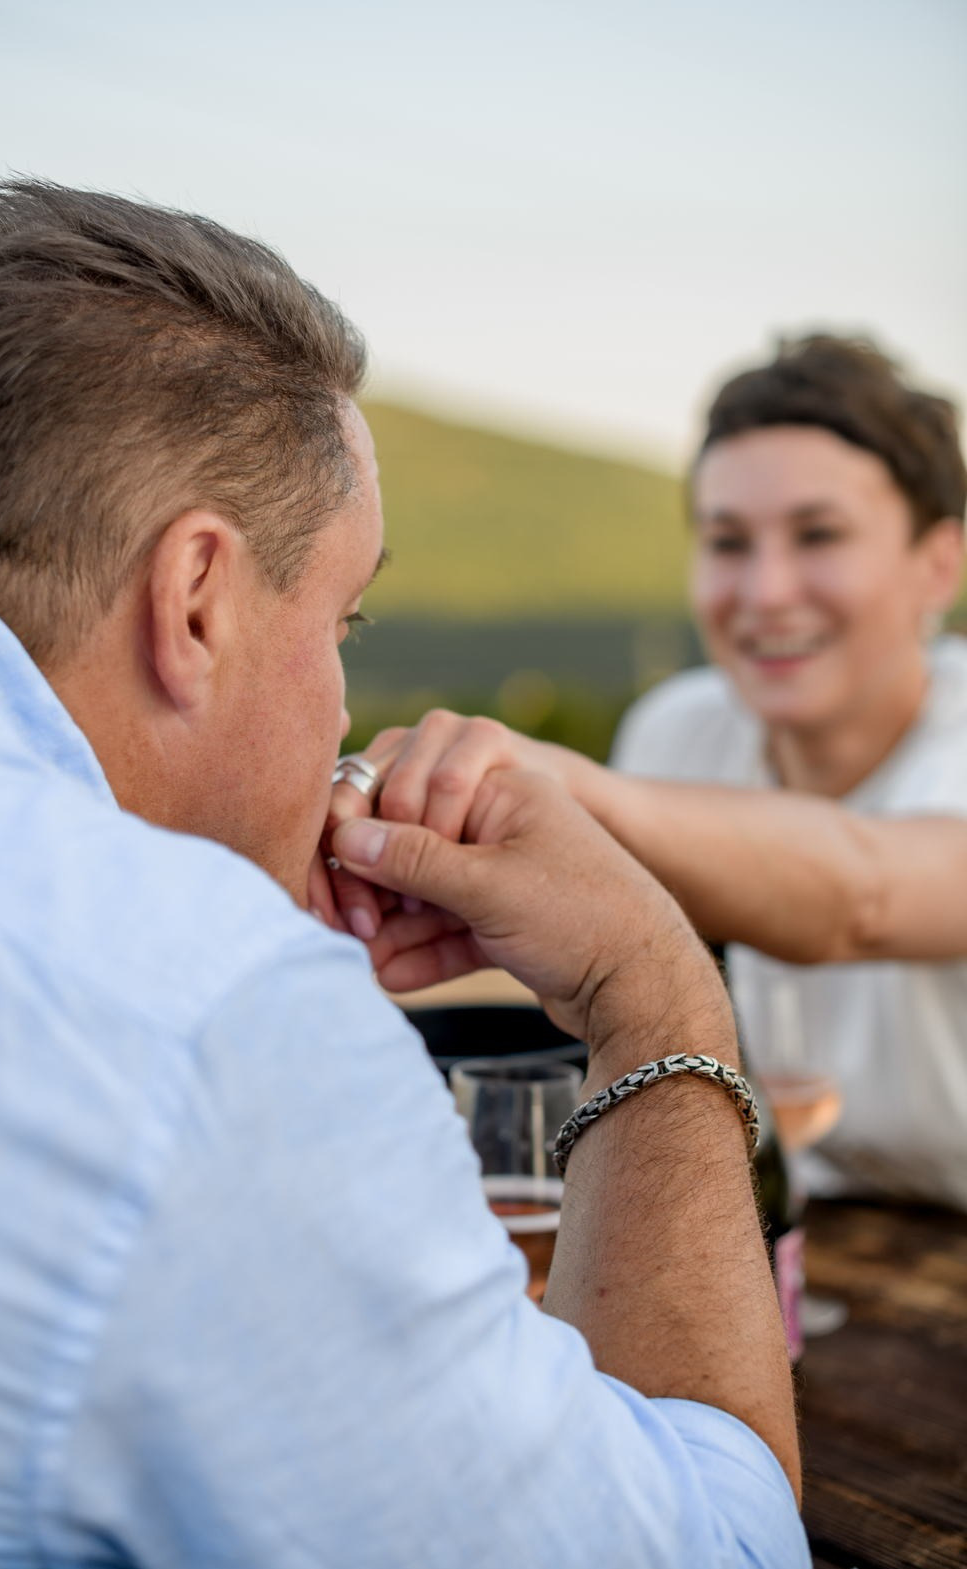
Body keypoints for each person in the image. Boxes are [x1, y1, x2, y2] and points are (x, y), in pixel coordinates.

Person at [0, 180, 807, 1569]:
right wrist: (651, 984)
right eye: (343, 619)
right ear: (197, 599)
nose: (341, 707)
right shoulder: (188, 1006)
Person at [330, 336, 967, 1212]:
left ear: (940, 563)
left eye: (819, 535)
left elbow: (863, 893)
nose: (767, 591)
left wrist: (566, 785)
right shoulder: (679, 731)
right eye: (728, 542)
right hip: (797, 1235)